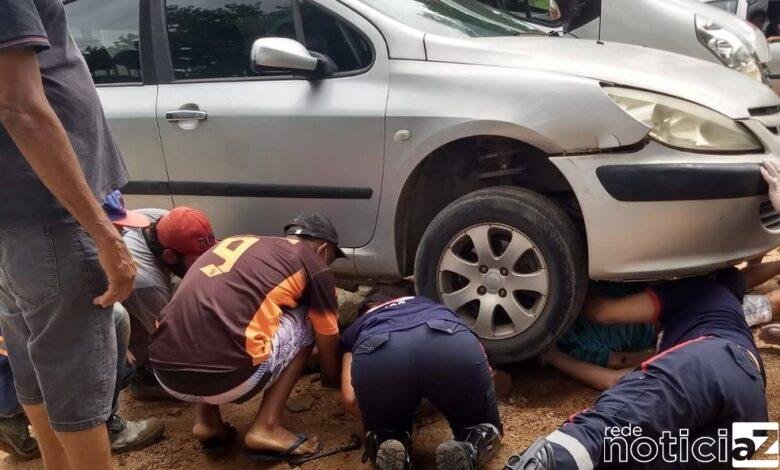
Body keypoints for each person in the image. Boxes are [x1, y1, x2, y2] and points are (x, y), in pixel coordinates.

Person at [0, 1, 137, 468]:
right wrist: (103, 232)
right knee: (72, 373)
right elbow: (20, 108)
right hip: (49, 213)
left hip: (19, 215)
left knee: (37, 359)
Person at [505, 268, 768, 469]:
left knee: (595, 435)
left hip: (713, 362)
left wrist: (566, 289)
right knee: (628, 457)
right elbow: (622, 378)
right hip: (752, 415)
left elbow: (603, 312)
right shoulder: (724, 318)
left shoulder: (699, 288)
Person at [149, 213, 344, 461]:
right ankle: (266, 427)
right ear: (324, 251)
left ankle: (207, 422)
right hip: (231, 377)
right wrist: (331, 375)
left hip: (167, 375)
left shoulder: (238, 243)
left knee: (218, 316)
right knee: (309, 319)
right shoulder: (314, 263)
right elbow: (327, 333)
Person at [341, 294, 502, 470]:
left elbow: (350, 399)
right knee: (482, 426)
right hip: (448, 340)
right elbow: (482, 363)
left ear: (366, 310)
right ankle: (470, 447)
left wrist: (381, 417)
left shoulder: (358, 326)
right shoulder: (429, 304)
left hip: (379, 354)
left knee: (387, 432)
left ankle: (387, 441)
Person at [117, 202, 217, 400]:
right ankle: (144, 374)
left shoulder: (167, 223)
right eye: (197, 260)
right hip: (100, 316)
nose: (205, 263)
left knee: (188, 283)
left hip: (136, 283)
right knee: (200, 386)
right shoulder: (147, 284)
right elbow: (173, 339)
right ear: (169, 256)